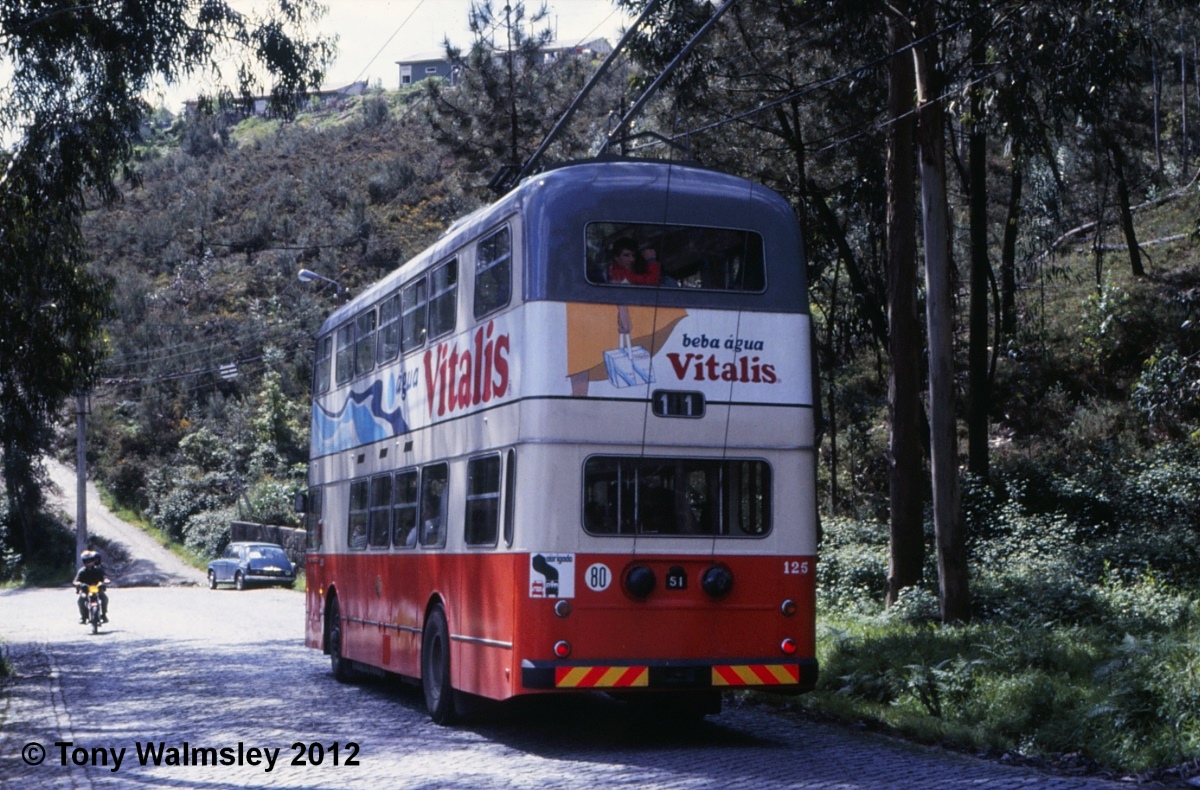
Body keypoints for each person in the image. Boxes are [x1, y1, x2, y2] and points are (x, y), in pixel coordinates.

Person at [74, 549, 110, 624]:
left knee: (105, 598)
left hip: (97, 589)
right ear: (84, 562)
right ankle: (83, 617)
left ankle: (104, 615)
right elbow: (76, 580)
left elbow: (105, 577)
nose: (89, 563)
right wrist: (79, 584)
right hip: (85, 590)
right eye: (86, 562)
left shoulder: (98, 569)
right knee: (80, 600)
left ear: (93, 561)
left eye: (90, 561)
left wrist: (105, 582)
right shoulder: (82, 571)